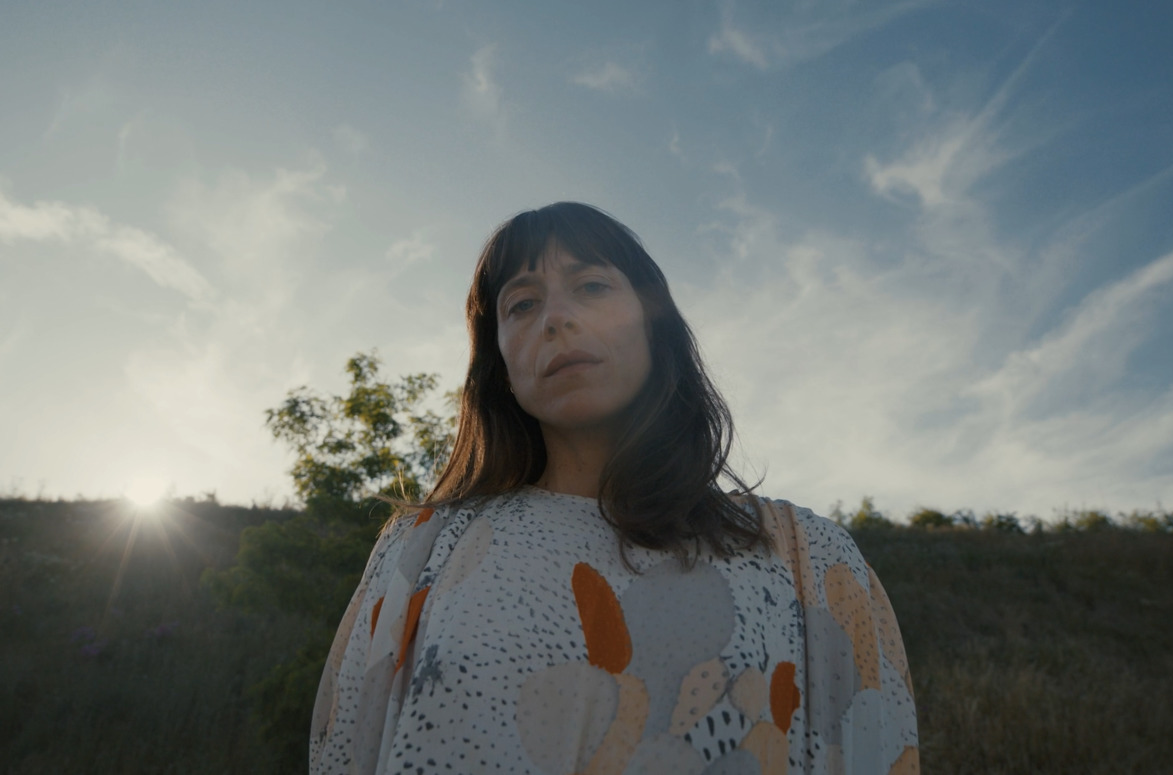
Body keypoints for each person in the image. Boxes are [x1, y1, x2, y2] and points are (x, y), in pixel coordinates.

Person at [310, 202, 919, 775]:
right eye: (521, 305)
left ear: (655, 327)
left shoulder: (807, 557)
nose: (556, 318)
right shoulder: (420, 548)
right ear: (499, 364)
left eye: (592, 287)